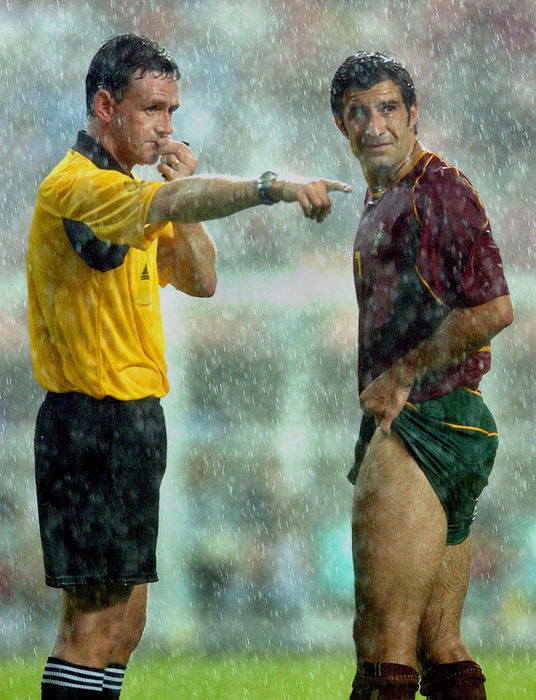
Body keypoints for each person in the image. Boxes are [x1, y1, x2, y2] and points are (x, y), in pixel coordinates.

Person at [27, 34, 351, 700]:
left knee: (126, 623)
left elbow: (202, 280)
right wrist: (274, 186)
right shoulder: (77, 187)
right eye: (152, 109)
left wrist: (182, 191)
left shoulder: (136, 191)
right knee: (92, 624)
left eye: (172, 111)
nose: (167, 127)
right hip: (87, 421)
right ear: (105, 105)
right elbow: (171, 206)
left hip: (133, 420)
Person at [330, 52, 513, 700]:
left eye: (387, 108)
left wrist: (404, 372)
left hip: (426, 418)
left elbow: (494, 309)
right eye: (359, 111)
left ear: (412, 115)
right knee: (442, 649)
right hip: (452, 419)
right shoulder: (390, 194)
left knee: (383, 652)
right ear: (340, 122)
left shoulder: (437, 190)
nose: (374, 123)